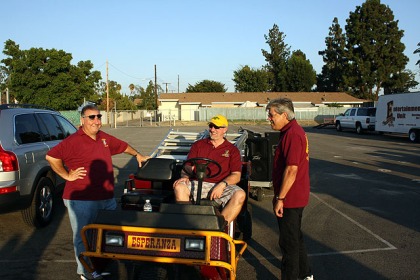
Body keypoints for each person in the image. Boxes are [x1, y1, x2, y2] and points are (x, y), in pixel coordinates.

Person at [46, 104, 149, 280]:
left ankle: (98, 267)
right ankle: (85, 271)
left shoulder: (103, 138)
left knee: (104, 234)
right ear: (82, 120)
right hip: (81, 199)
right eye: (91, 117)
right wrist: (67, 175)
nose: (96, 121)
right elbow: (52, 156)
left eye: (98, 117)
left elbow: (123, 146)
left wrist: (137, 155)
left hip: (106, 197)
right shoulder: (73, 141)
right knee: (83, 236)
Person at [266, 98, 313, 280]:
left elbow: (292, 169)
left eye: (271, 115)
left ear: (284, 115)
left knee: (288, 244)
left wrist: (281, 198)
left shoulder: (293, 134)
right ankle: (306, 274)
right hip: (294, 196)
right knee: (296, 238)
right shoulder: (291, 131)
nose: (269, 119)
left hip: (290, 199)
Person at [173, 114, 246, 224]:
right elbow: (187, 166)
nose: (212, 130)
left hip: (221, 185)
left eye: (216, 127)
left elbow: (236, 175)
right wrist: (185, 176)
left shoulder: (232, 150)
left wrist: (222, 185)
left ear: (225, 129)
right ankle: (189, 224)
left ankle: (220, 227)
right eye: (211, 126)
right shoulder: (198, 145)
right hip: (198, 182)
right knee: (179, 187)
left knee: (240, 194)